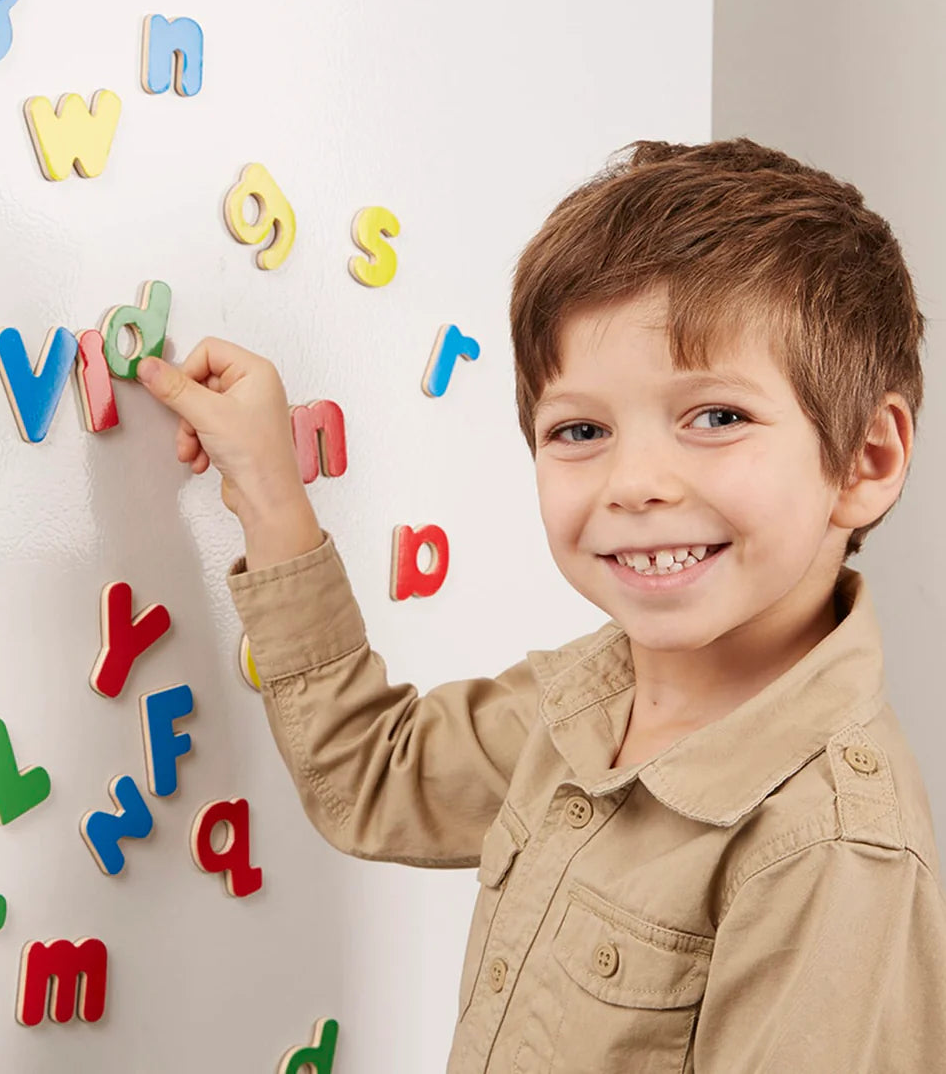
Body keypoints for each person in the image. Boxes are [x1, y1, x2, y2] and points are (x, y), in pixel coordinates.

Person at [135, 138, 946, 1072]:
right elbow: (370, 775)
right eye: (581, 430)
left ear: (866, 461)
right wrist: (269, 489)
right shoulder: (585, 701)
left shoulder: (831, 849)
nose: (635, 481)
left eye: (716, 417)